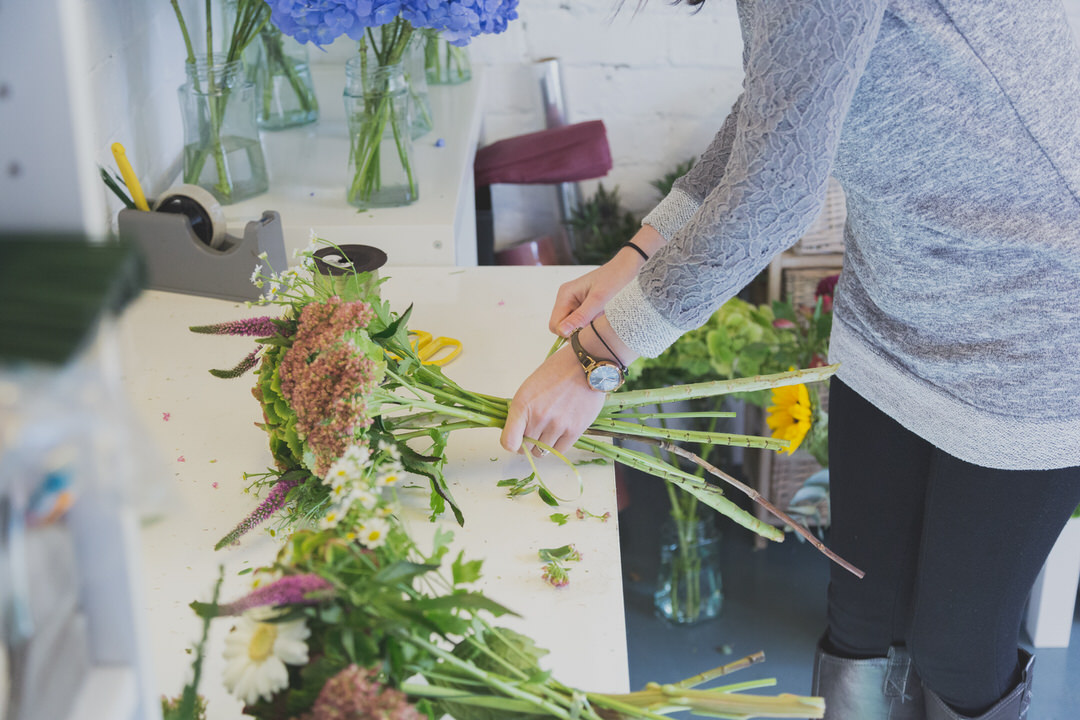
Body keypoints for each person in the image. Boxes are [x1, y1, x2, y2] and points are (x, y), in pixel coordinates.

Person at [499, 1, 1080, 719]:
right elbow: (776, 113)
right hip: (895, 308)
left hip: (1042, 334)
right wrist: (637, 256)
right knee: (861, 611)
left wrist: (598, 356)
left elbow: (776, 190)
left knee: (957, 651)